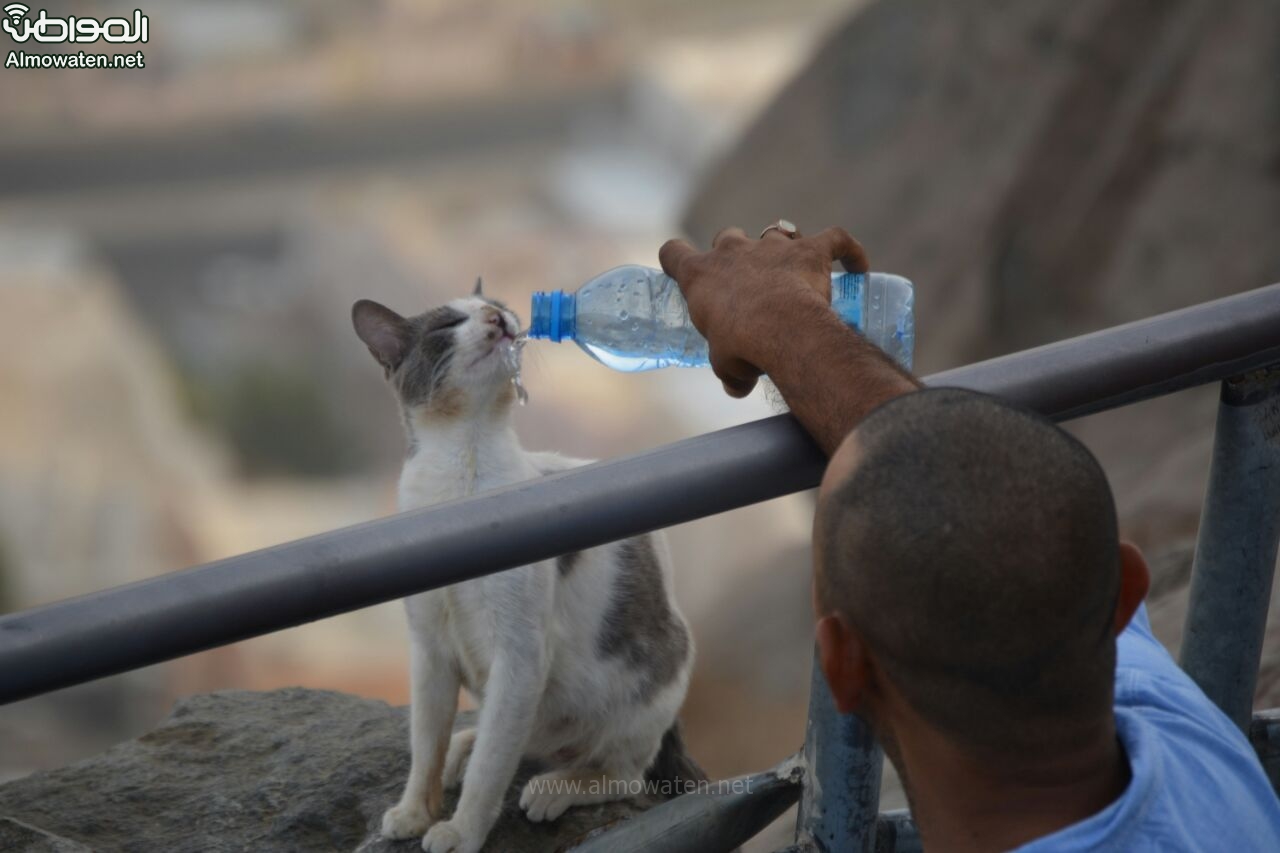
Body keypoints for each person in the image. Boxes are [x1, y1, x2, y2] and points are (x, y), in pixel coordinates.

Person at [658, 224, 1280, 851]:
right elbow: (955, 481)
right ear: (1124, 593)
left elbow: (939, 481)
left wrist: (778, 316)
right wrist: (784, 320)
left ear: (844, 667)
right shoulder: (1184, 737)